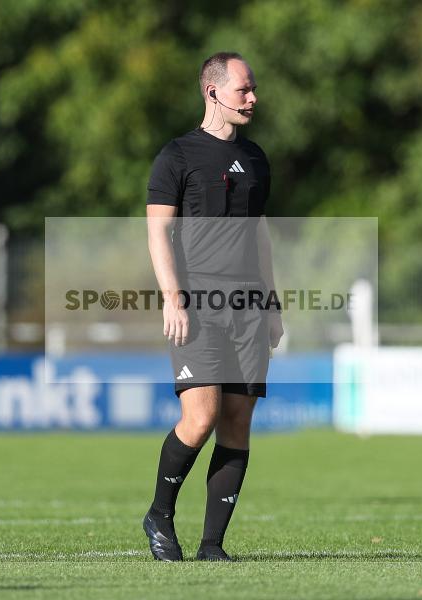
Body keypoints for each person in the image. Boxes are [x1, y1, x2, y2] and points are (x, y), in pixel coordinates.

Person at [143, 52, 283, 561]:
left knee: (237, 421)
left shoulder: (258, 158)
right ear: (213, 92)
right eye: (244, 89)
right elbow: (157, 230)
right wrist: (173, 297)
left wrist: (271, 303)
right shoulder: (177, 156)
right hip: (198, 304)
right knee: (199, 418)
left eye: (253, 89)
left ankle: (212, 545)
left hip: (248, 305)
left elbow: (260, 234)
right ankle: (159, 514)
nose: (253, 98)